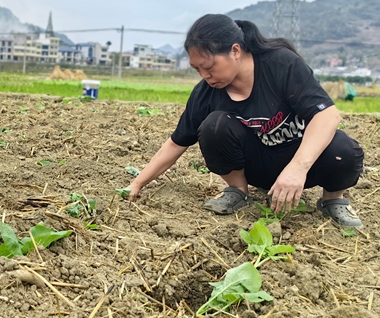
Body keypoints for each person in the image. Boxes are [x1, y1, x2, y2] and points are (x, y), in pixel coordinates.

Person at [127, 14, 364, 227]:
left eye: (209, 67)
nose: (205, 76)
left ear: (236, 51)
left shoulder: (281, 64)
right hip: (256, 166)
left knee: (342, 149)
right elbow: (176, 143)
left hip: (302, 163)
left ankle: (333, 200)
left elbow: (327, 115)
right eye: (197, 69)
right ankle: (237, 191)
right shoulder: (206, 92)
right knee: (214, 125)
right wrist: (137, 184)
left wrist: (297, 168)